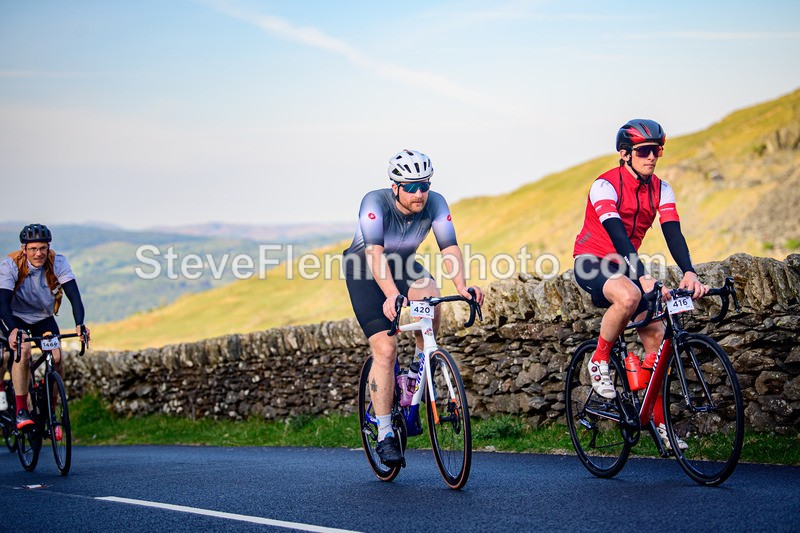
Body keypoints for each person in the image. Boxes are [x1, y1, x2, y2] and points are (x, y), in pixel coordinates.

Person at [572, 120, 707, 451]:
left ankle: (659, 423)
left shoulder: (662, 189)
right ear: (625, 154)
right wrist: (643, 275)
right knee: (630, 294)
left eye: (657, 150)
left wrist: (689, 272)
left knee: (657, 338)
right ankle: (599, 360)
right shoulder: (605, 185)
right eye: (644, 151)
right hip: (592, 260)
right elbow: (617, 233)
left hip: (625, 264)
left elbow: (673, 232)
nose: (652, 157)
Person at [343, 149, 484, 466]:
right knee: (386, 350)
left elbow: (449, 247)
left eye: (424, 185)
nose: (419, 193)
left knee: (431, 295)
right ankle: (384, 433)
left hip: (405, 265)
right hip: (364, 270)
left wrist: (462, 286)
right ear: (395, 187)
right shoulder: (374, 202)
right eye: (411, 187)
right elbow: (375, 253)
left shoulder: (436, 203)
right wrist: (392, 295)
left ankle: (415, 376)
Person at [0, 223, 90, 429]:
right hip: (15, 317)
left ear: (48, 247)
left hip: (43, 318)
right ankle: (21, 410)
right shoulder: (10, 265)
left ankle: (50, 412)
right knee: (23, 351)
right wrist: (12, 331)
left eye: (42, 248)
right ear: (24, 249)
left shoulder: (58, 262)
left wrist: (79, 323)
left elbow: (74, 296)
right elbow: (2, 303)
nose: (38, 253)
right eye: (33, 249)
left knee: (57, 358)